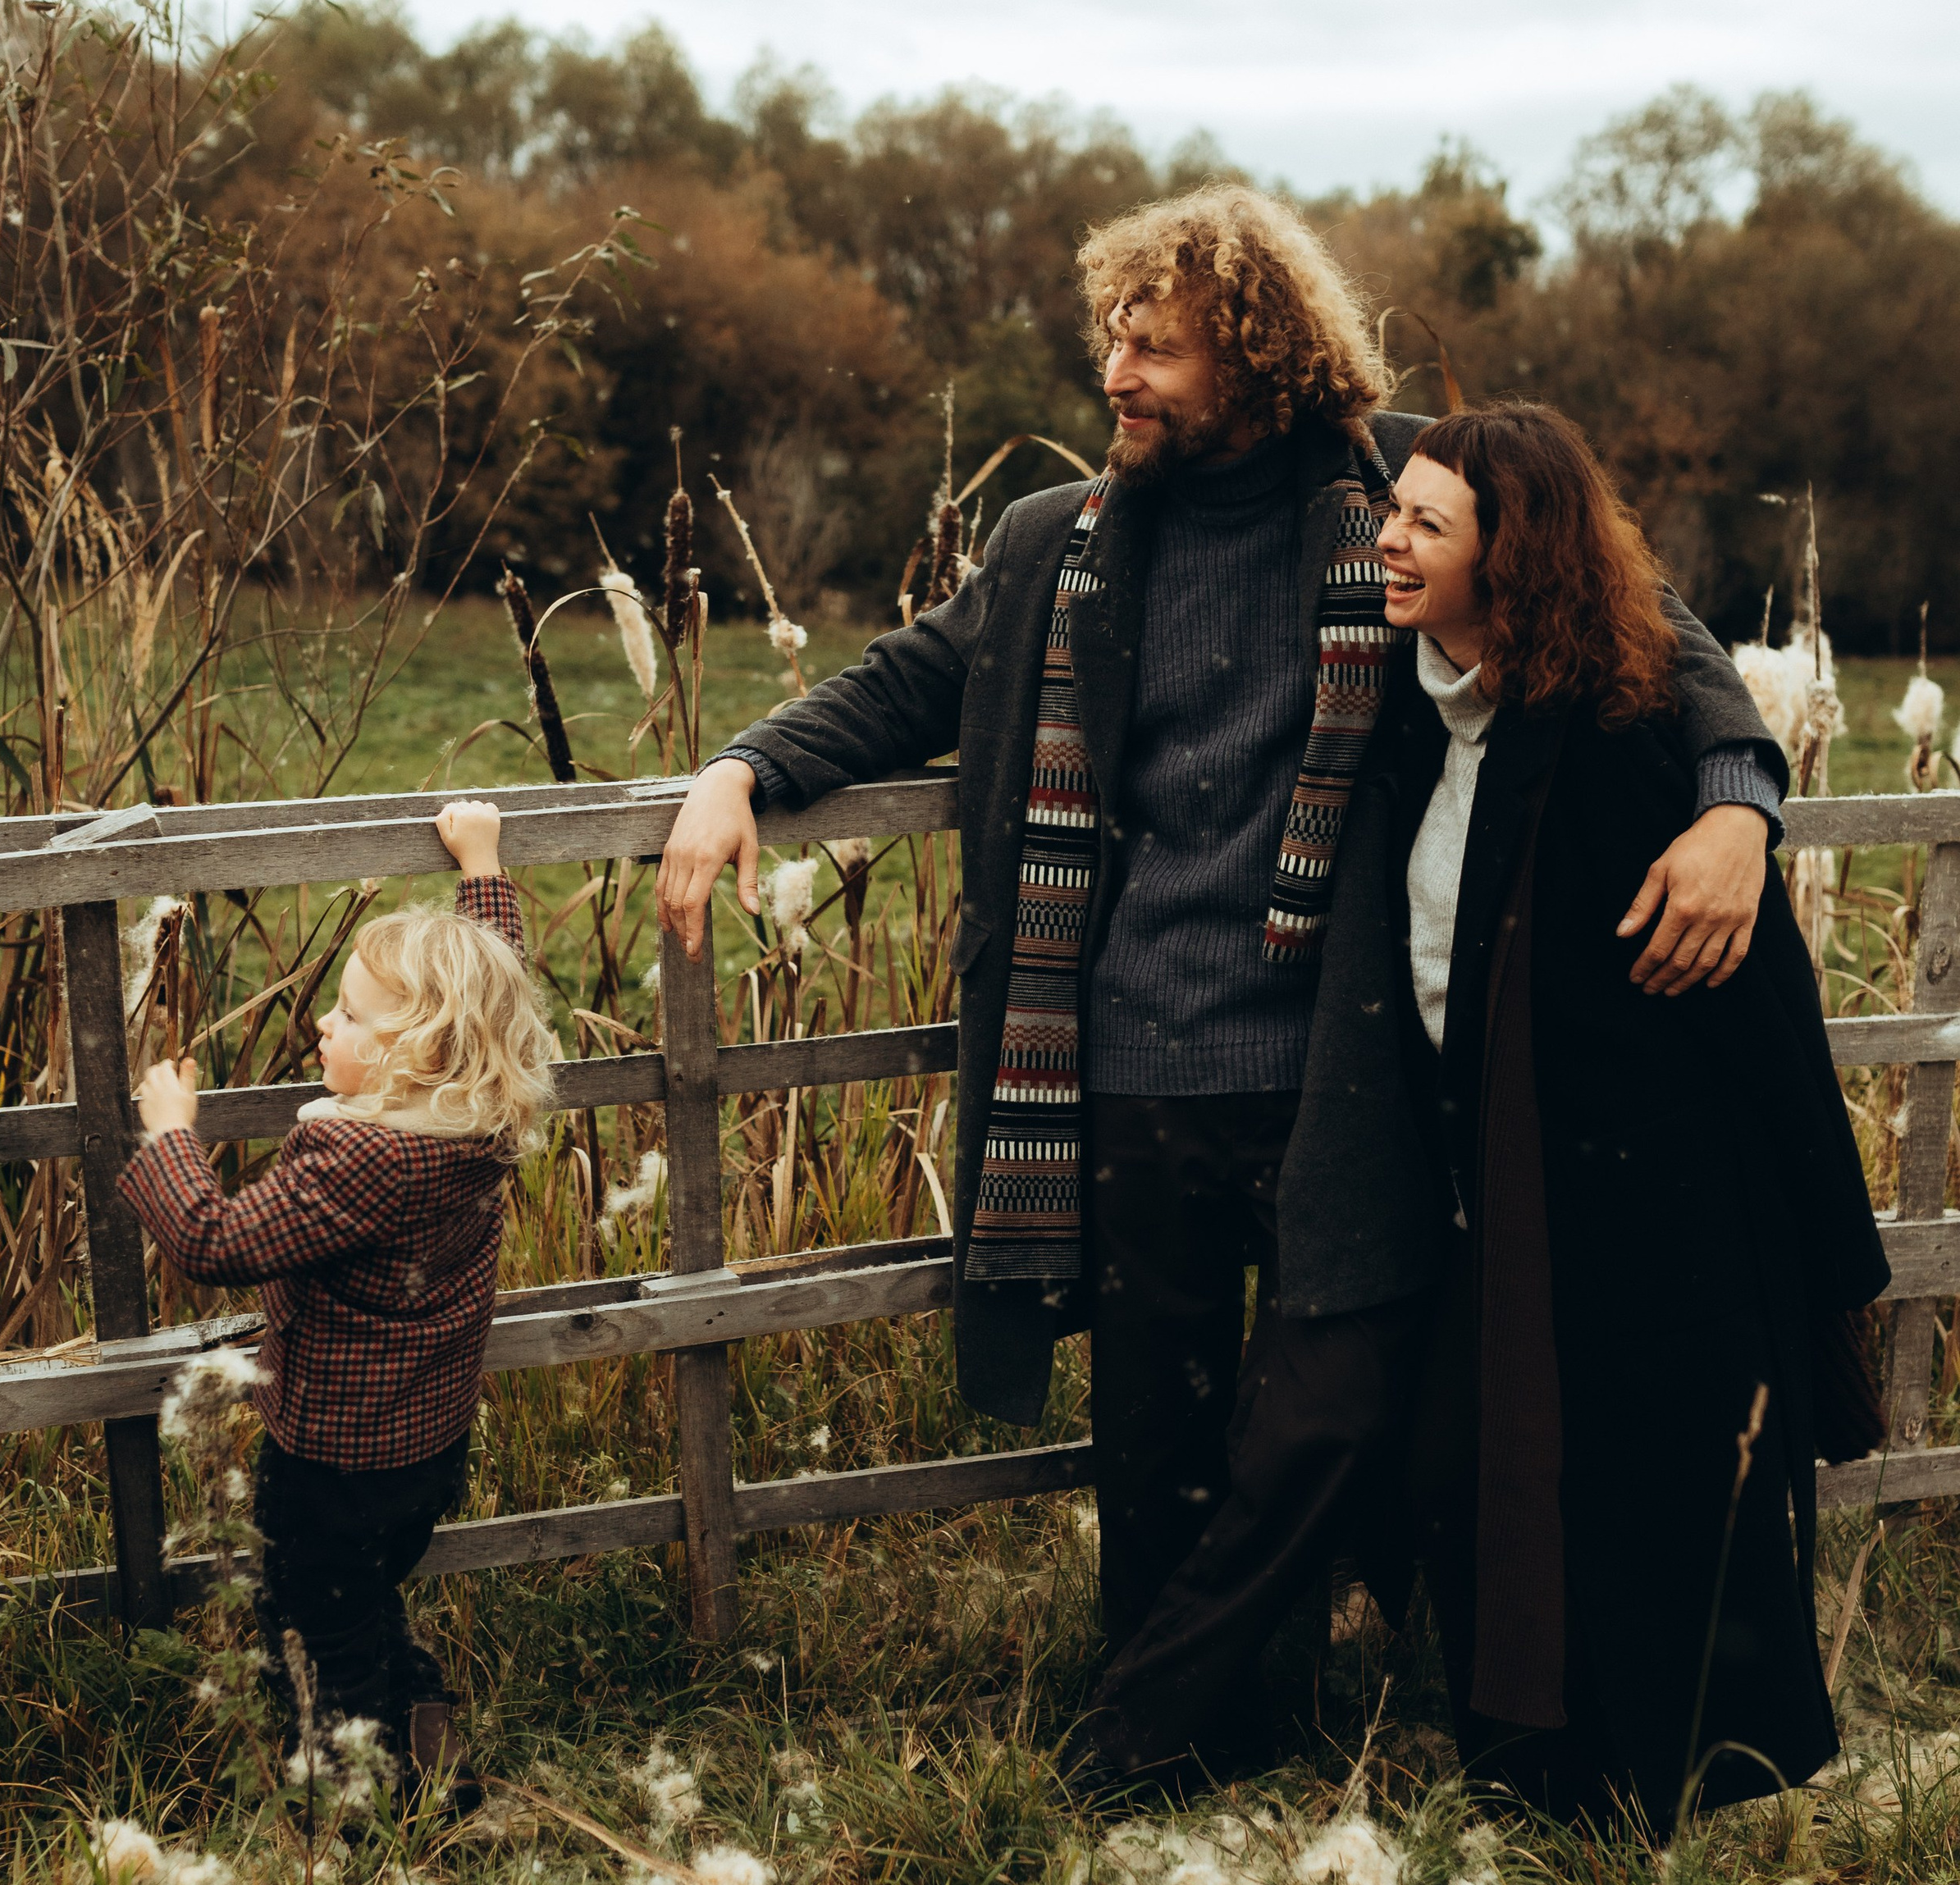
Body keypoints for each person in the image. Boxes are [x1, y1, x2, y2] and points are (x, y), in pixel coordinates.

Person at [656, 185, 1783, 1700]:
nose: (1114, 375)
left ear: (1256, 357)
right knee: (1157, 1434)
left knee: (1344, 1409)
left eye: (1155, 347)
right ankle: (1185, 1728)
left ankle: (1362, 1690)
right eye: (1112, 339)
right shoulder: (1060, 538)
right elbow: (911, 677)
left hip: (1349, 1061)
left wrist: (1737, 805)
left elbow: (1646, 621)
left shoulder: (1410, 494)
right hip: (1126, 1062)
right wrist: (741, 768)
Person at [1081, 406, 1888, 1827]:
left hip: (1645, 1199)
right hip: (1476, 1184)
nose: (1385, 539)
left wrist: (1742, 810)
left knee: (1644, 1488)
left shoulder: (1622, 739)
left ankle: (1645, 1798)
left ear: (1513, 557)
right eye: (1392, 511)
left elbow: (1755, 999)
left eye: (1424, 526)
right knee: (1463, 1465)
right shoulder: (1400, 712)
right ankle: (1522, 1769)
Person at [119, 801, 551, 1805]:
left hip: (331, 1461)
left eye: (353, 1018)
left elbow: (211, 1240)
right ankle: (427, 1731)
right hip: (428, 1447)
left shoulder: (362, 1156)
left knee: (312, 1618)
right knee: (364, 1600)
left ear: (421, 1050)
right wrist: (481, 867)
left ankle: (370, 1802)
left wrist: (171, 1134)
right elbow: (495, 980)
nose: (324, 1021)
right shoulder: (476, 1118)